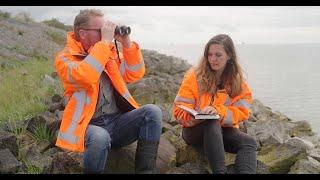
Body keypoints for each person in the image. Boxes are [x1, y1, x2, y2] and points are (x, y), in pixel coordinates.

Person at [54, 9, 162, 174]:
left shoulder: (108, 53)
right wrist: (104, 43)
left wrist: (126, 43)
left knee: (152, 112)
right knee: (100, 137)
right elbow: (85, 76)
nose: (107, 33)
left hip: (117, 122)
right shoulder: (65, 58)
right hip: (88, 126)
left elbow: (134, 73)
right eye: (100, 30)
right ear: (82, 33)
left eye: (107, 29)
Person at [173, 34, 257, 174]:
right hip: (195, 131)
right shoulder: (194, 76)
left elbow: (242, 112)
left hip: (223, 130)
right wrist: (194, 118)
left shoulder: (238, 82)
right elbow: (178, 110)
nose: (213, 59)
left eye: (218, 55)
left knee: (249, 143)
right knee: (211, 123)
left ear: (229, 55)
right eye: (210, 54)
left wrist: (218, 112)